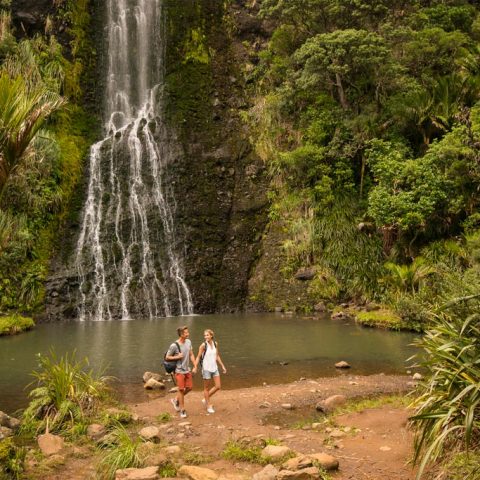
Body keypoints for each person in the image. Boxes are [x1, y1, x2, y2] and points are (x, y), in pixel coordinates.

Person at [165, 325, 197, 418]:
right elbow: (167, 357)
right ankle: (182, 410)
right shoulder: (174, 345)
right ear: (181, 334)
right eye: (186, 333)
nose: (188, 334)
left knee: (190, 387)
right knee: (181, 389)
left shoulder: (189, 342)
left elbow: (191, 354)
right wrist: (177, 357)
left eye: (187, 332)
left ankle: (176, 400)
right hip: (178, 370)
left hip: (187, 370)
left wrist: (195, 365)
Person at [195, 329, 226, 414]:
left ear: (211, 335)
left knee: (218, 386)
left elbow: (217, 356)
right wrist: (195, 366)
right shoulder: (203, 345)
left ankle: (206, 398)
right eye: (205, 335)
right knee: (206, 388)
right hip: (206, 369)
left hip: (214, 368)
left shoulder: (215, 344)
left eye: (207, 335)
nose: (206, 337)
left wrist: (222, 366)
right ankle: (208, 405)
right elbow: (198, 357)